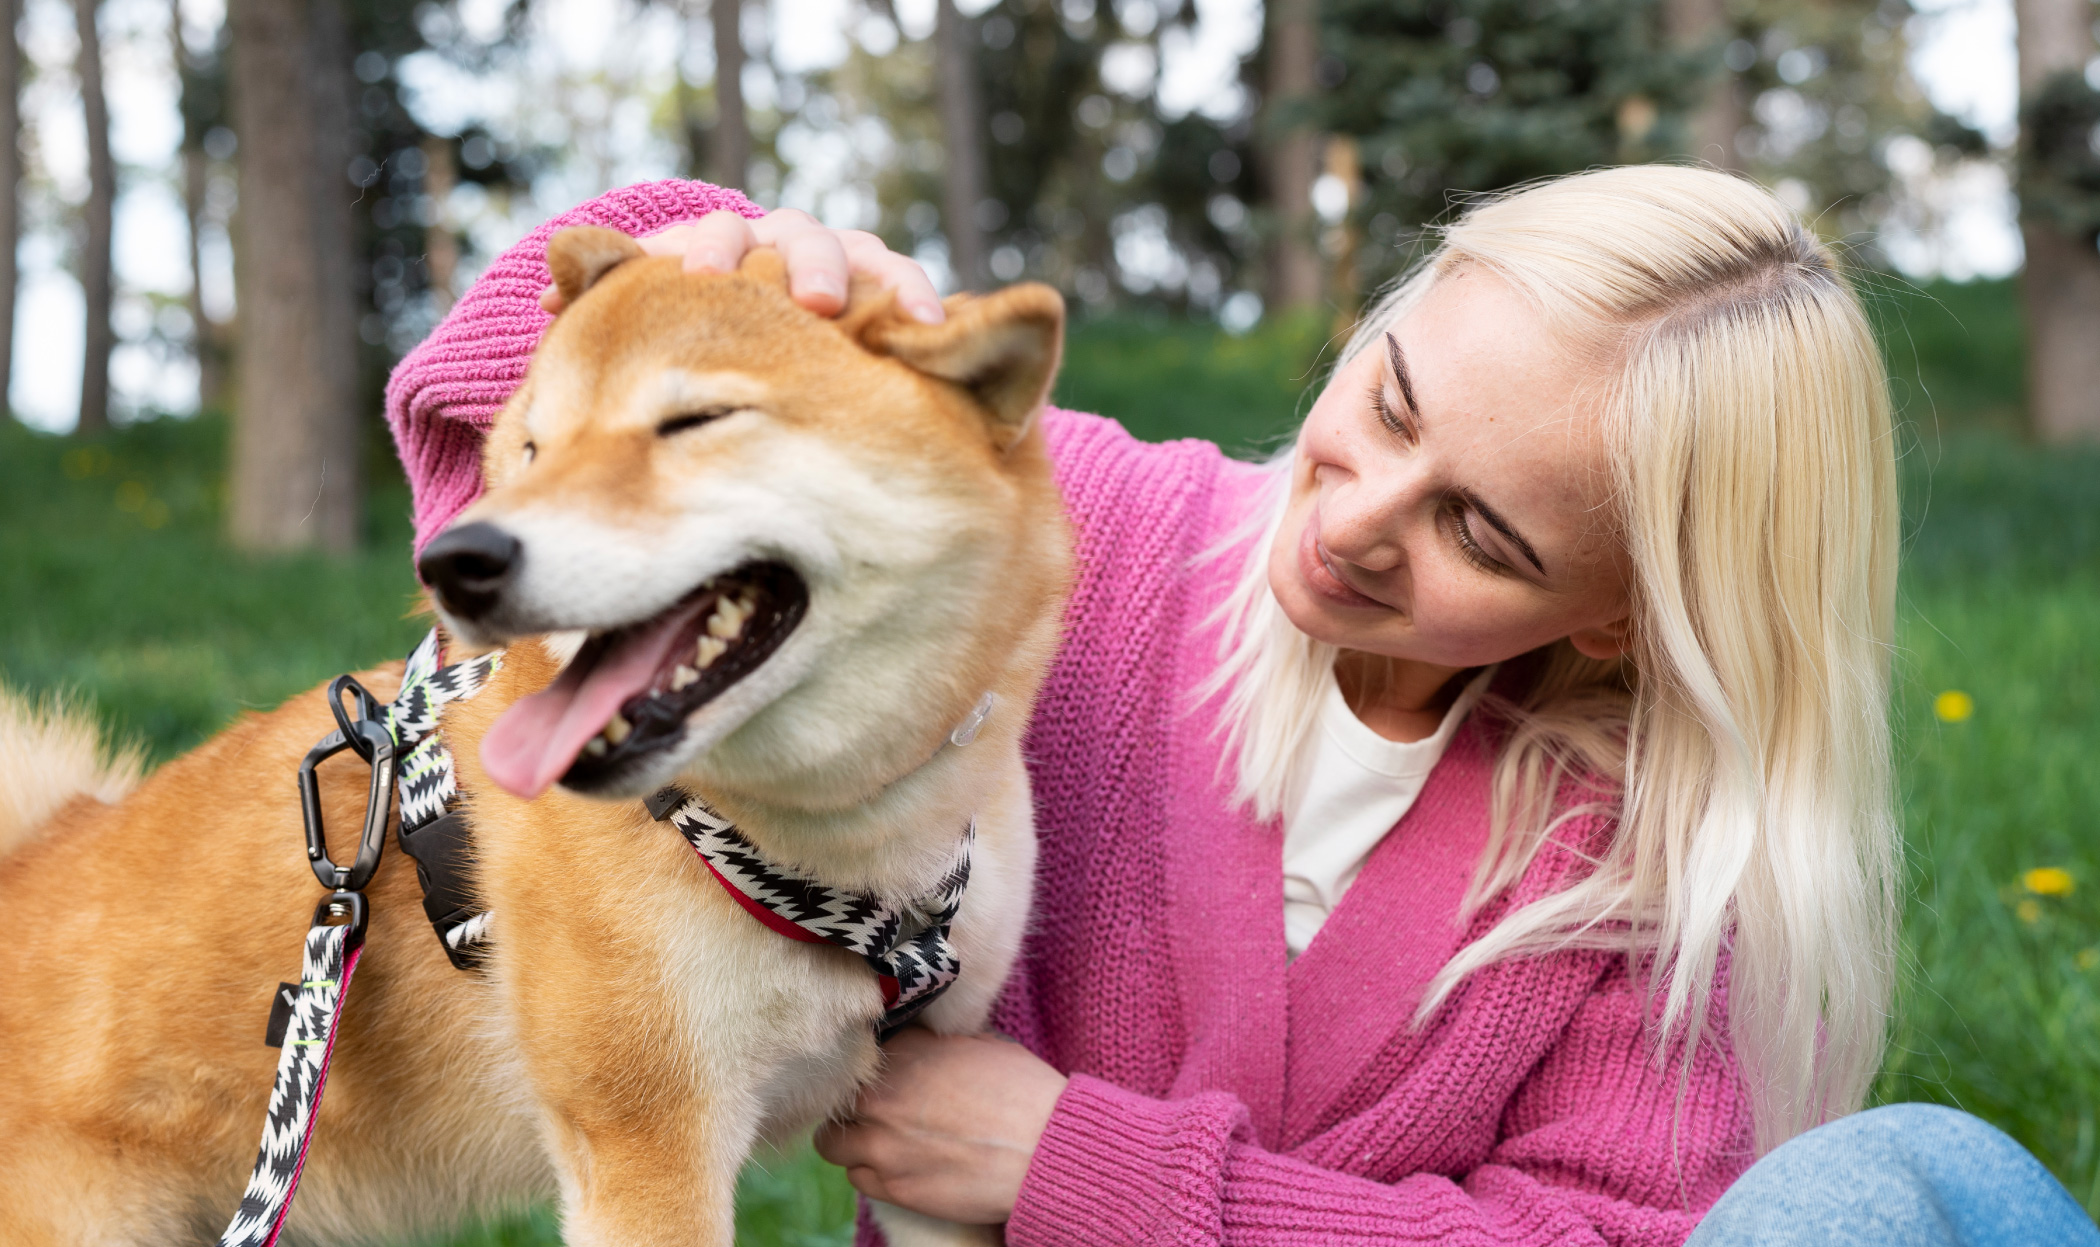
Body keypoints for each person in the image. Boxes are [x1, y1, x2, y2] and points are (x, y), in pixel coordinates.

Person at [385, 168, 2099, 1246]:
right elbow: (487, 402)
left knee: (1903, 1190)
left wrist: (1083, 1168)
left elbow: (1614, 1238)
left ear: (1623, 630)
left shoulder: (1645, 877)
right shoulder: (1074, 544)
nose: (1354, 522)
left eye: (1478, 533)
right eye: (1392, 401)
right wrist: (723, 267)